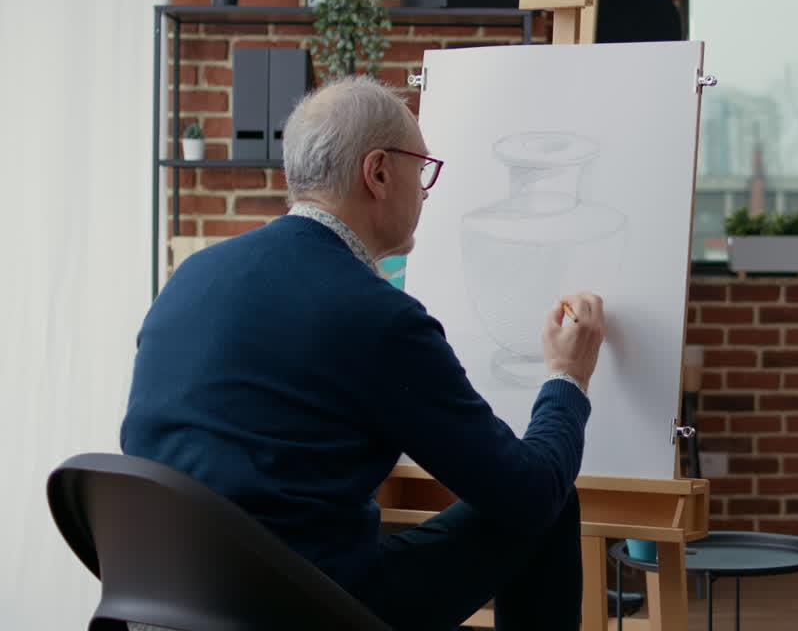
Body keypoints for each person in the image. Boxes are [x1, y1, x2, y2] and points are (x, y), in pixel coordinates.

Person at [121, 76, 606, 631]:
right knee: (550, 505)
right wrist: (567, 378)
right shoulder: (377, 316)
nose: (425, 192)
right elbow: (527, 495)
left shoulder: (191, 276)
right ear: (378, 172)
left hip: (164, 604)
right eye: (421, 171)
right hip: (302, 608)